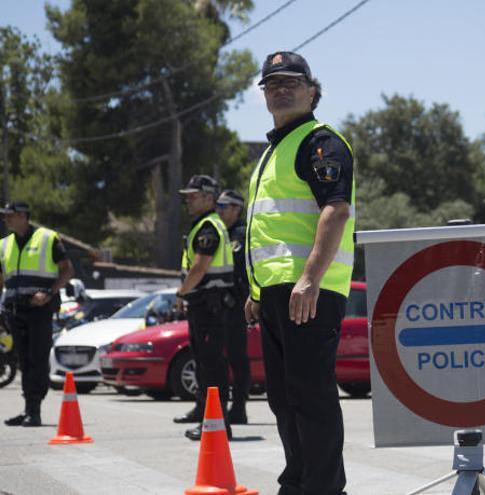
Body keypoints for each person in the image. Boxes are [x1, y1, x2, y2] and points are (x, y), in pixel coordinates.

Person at [244, 51, 355, 495]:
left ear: (313, 91)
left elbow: (336, 209)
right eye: (272, 85)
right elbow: (271, 230)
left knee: (311, 397)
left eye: (291, 82)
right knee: (284, 399)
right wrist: (256, 291)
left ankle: (325, 488)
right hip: (276, 293)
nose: (281, 89)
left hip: (309, 290)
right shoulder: (274, 151)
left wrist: (309, 278)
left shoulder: (319, 141)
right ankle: (299, 483)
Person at [1, 202, 73, 427]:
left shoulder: (47, 238)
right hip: (15, 310)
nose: (5, 219)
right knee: (23, 360)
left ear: (23, 216)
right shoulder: (4, 244)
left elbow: (67, 270)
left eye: (9, 216)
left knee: (37, 359)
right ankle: (28, 409)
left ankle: (35, 410)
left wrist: (49, 293)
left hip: (40, 310)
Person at [176, 175, 235, 440]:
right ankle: (205, 414)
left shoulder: (209, 227)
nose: (188, 199)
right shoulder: (204, 224)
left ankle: (217, 422)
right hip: (203, 304)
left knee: (211, 365)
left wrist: (181, 292)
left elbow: (199, 268)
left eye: (193, 195)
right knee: (204, 362)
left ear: (209, 198)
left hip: (209, 305)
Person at [216, 189, 251, 424]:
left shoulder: (242, 234)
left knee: (237, 358)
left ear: (236, 209)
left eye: (224, 206)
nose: (219, 210)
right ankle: (215, 406)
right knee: (217, 359)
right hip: (217, 306)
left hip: (236, 305)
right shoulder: (219, 232)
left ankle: (238, 408)